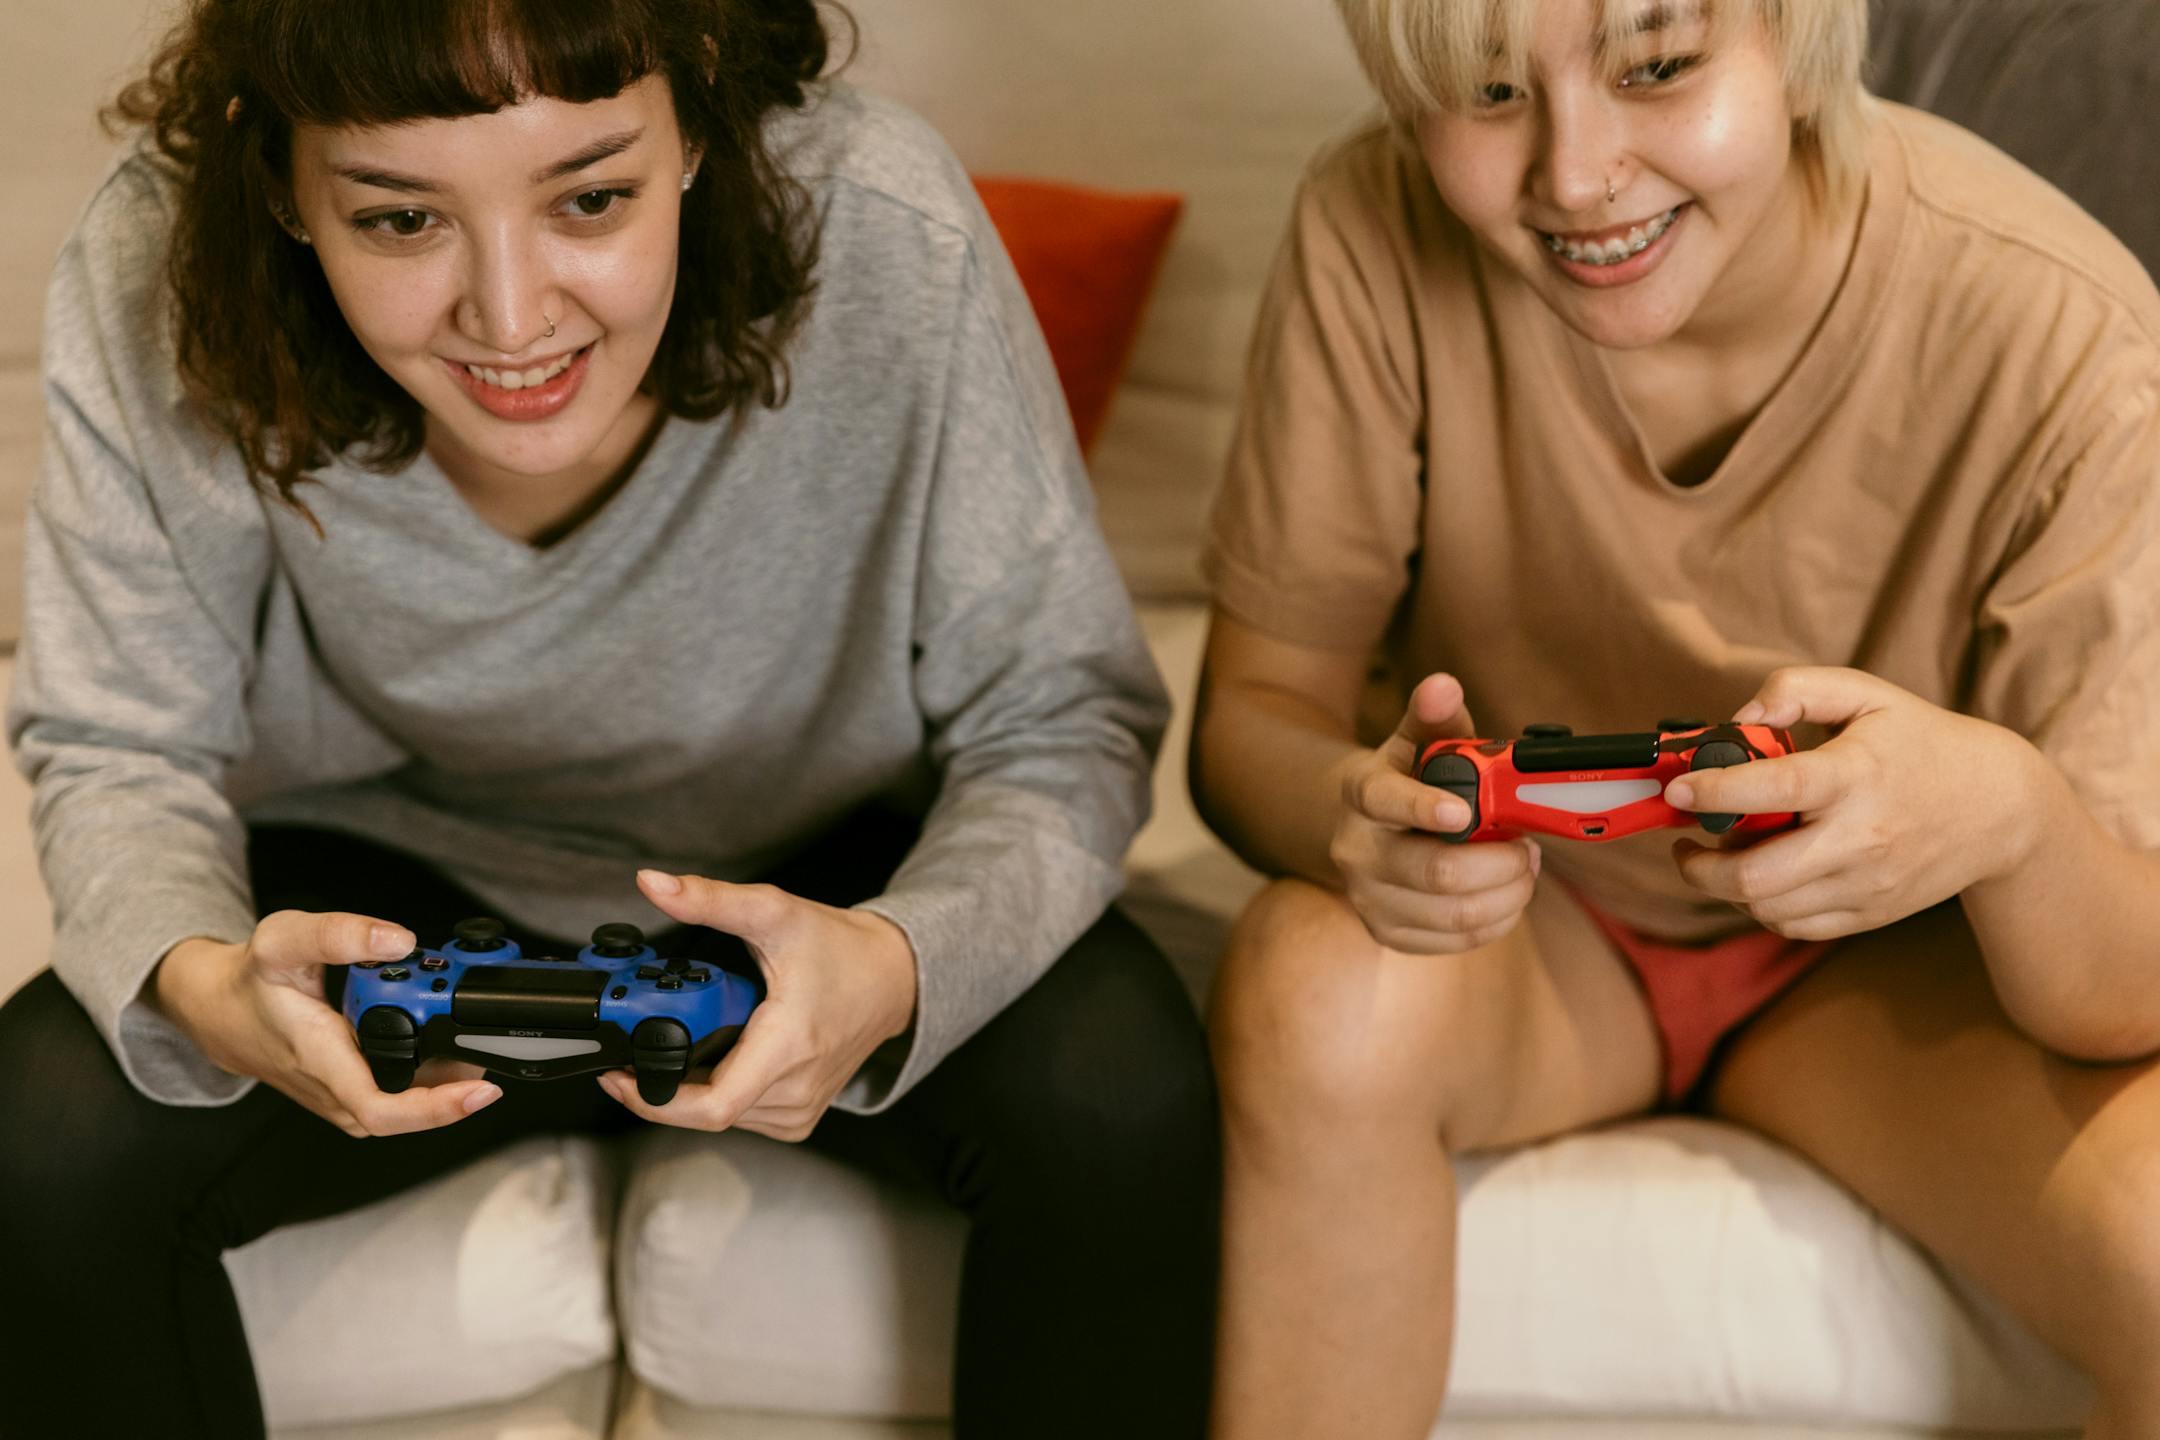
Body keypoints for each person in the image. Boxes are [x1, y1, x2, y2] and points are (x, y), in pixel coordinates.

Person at [0, 2, 1218, 1436]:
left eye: (591, 197)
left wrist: (898, 964)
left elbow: (1060, 713)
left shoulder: (884, 221)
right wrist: (208, 987)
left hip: (827, 873)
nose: (512, 319)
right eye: (399, 222)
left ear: (697, 122)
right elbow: (120, 743)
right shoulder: (157, 259)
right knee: (42, 1138)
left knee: (1117, 1092)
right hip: (387, 894)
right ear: (280, 183)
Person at [1191, 0, 2160, 1433]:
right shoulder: (1369, 222)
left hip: (1889, 979)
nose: (1576, 174)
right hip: (1538, 933)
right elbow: (1257, 714)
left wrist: (2009, 818)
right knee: (1307, 984)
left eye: (1657, 68)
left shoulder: (2071, 338)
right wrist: (1355, 821)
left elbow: (2127, 987)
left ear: (1802, 40)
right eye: (1490, 89)